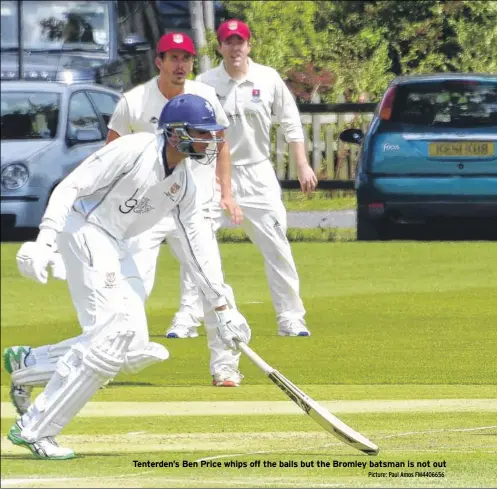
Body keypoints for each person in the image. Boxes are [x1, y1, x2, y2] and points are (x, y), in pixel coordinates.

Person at [4, 94, 251, 460]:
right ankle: (35, 428)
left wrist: (223, 306)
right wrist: (45, 240)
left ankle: (29, 364)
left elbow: (197, 249)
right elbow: (69, 187)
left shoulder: (183, 184)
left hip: (116, 242)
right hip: (83, 228)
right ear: (175, 133)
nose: (210, 141)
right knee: (110, 336)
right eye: (203, 133)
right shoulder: (133, 150)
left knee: (131, 347)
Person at [106, 32, 245, 387]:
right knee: (132, 286)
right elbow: (111, 156)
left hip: (193, 207)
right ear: (159, 61)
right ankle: (102, 361)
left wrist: (226, 192)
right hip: (145, 210)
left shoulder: (205, 97)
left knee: (213, 285)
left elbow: (221, 144)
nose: (180, 65)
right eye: (173, 57)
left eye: (186, 58)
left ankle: (225, 366)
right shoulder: (133, 102)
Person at [177, 19, 318, 340]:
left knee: (277, 245)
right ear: (220, 47)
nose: (235, 47)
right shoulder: (205, 82)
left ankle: (291, 318)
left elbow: (290, 122)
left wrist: (303, 165)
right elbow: (187, 129)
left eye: (240, 42)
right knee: (196, 245)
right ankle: (187, 316)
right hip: (211, 173)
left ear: (249, 46)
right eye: (229, 42)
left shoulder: (266, 79)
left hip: (257, 172)